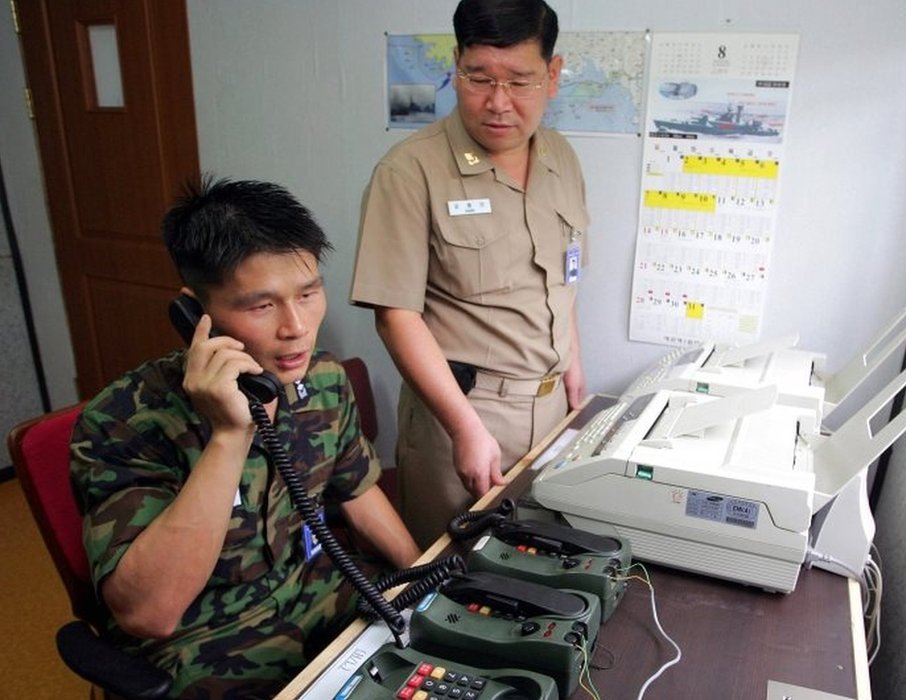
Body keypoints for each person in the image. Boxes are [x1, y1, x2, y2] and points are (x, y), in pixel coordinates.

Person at [70, 177, 421, 698]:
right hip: (208, 644)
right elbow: (150, 613)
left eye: (309, 293)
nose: (296, 327)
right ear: (194, 313)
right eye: (262, 306)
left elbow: (357, 488)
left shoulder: (323, 379)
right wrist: (230, 434)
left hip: (325, 599)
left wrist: (424, 583)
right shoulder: (125, 419)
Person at [351, 0, 590, 548]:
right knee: (450, 584)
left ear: (552, 75)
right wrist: (464, 427)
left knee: (538, 569)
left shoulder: (561, 158)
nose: (498, 103)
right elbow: (395, 314)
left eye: (520, 82)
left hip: (552, 409)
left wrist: (574, 361)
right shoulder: (410, 171)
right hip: (463, 418)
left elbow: (564, 278)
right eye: (478, 78)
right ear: (456, 63)